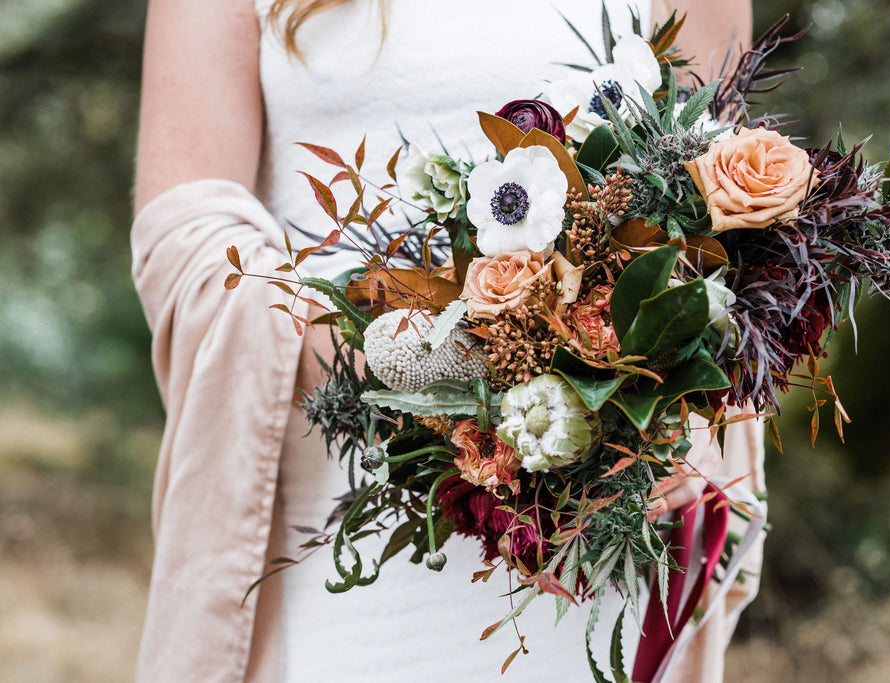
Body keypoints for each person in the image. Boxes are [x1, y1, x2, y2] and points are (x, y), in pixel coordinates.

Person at [131, 0, 763, 681]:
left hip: (595, 544)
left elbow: (716, 215)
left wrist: (658, 394)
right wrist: (430, 367)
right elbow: (187, 239)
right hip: (342, 548)